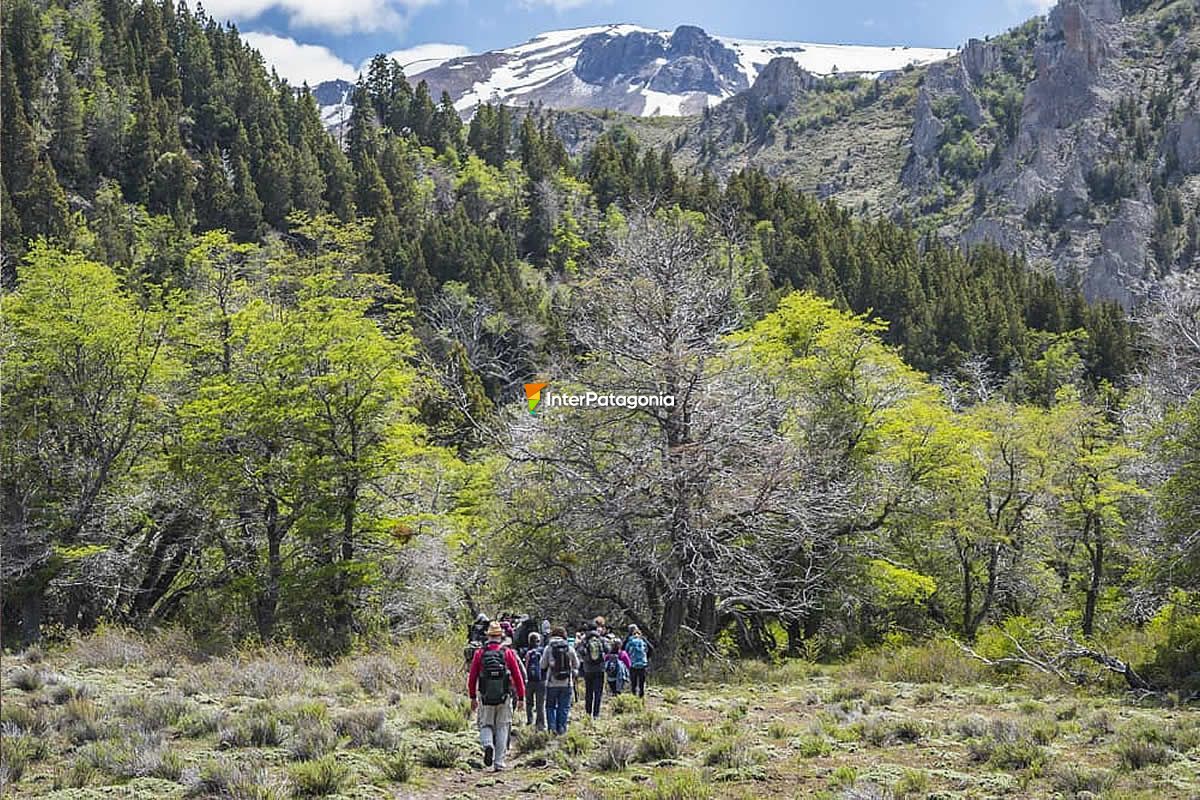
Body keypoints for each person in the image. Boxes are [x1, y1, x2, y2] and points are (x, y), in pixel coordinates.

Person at [467, 621, 526, 772]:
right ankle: (499, 762)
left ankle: (487, 745)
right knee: (502, 727)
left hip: (485, 696)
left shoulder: (480, 653)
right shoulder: (507, 652)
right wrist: (521, 697)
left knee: (485, 724)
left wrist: (473, 697)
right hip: (504, 696)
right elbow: (517, 676)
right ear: (500, 636)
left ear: (488, 636)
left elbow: (472, 677)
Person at [540, 626, 579, 735]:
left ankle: (552, 729)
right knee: (564, 707)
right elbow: (577, 664)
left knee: (550, 706)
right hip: (567, 683)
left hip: (551, 682)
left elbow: (542, 665)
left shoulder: (549, 648)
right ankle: (561, 728)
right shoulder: (569, 648)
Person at [580, 622, 607, 719]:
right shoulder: (601, 639)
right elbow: (608, 649)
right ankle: (596, 714)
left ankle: (588, 713)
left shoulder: (585, 640)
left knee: (589, 692)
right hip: (600, 669)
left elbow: (580, 651)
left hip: (588, 670)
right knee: (598, 692)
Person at [524, 632, 547, 730]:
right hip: (541, 680)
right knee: (540, 704)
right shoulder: (542, 651)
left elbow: (525, 666)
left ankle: (529, 721)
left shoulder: (527, 652)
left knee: (529, 703)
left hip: (529, 680)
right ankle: (540, 724)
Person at [624, 625, 650, 698]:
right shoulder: (643, 640)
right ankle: (641, 697)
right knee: (641, 683)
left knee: (633, 683)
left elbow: (625, 651)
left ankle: (633, 697)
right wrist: (646, 658)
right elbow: (650, 648)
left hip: (633, 664)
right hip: (643, 664)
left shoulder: (629, 641)